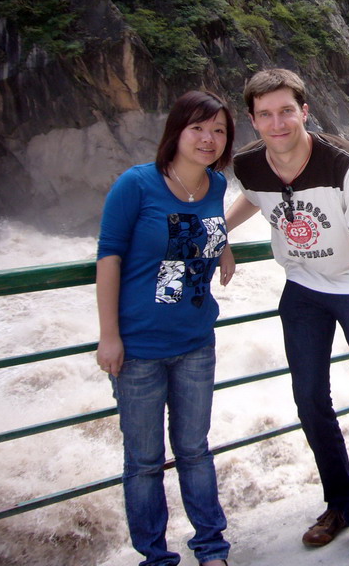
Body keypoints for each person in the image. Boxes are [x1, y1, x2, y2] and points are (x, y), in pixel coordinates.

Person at [224, 68, 349, 566]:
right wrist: (220, 236)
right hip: (301, 290)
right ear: (253, 120)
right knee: (309, 400)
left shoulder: (346, 167)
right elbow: (253, 199)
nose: (277, 123)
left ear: (304, 112)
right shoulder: (250, 164)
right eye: (265, 114)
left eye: (285, 111)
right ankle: (338, 504)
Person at [96, 91, 236, 566]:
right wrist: (109, 335)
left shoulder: (216, 186)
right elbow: (109, 257)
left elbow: (202, 228)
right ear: (176, 131)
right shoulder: (137, 184)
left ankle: (211, 547)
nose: (208, 138)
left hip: (196, 343)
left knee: (195, 451)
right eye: (198, 127)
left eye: (218, 130)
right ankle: (156, 556)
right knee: (144, 462)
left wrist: (223, 244)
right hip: (138, 349)